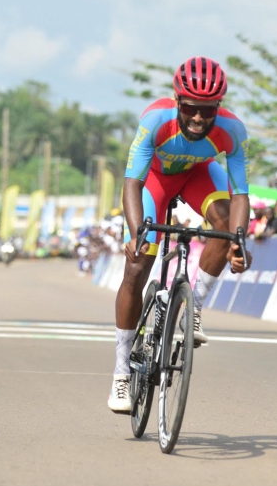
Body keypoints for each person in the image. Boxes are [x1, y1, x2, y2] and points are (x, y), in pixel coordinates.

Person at [109, 57, 251, 414]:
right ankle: (121, 372)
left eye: (208, 110)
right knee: (138, 266)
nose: (199, 119)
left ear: (219, 107)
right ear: (177, 102)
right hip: (154, 181)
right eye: (190, 108)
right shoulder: (155, 120)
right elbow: (133, 182)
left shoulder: (233, 131)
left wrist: (239, 239)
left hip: (198, 175)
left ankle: (194, 306)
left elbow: (240, 195)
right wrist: (138, 232)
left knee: (224, 223)